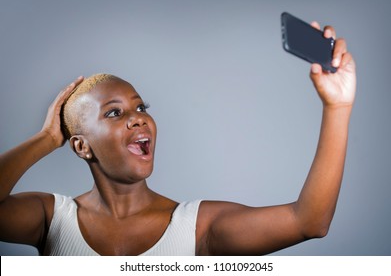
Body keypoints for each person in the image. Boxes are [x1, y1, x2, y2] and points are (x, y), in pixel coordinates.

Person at [0, 22, 356, 256]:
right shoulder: (51, 218)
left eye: (141, 107)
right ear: (81, 145)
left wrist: (338, 107)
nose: (138, 117)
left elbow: (309, 221)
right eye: (114, 112)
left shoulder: (196, 226)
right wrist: (48, 137)